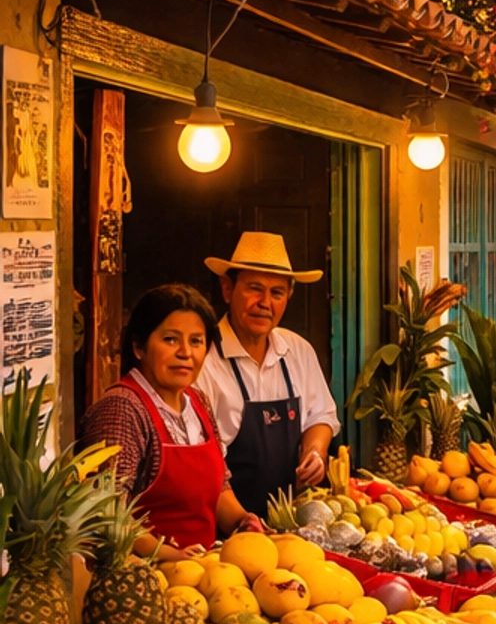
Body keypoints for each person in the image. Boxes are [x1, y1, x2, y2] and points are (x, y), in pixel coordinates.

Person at [81, 285, 261, 548]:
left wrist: (243, 521)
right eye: (170, 339)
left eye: (196, 341)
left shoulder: (197, 402)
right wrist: (168, 555)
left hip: (203, 575)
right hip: (146, 575)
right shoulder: (122, 409)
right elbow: (107, 514)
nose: (185, 353)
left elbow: (219, 486)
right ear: (139, 347)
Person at [201, 231, 339, 521]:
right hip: (222, 527)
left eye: (277, 293)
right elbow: (199, 463)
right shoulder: (204, 358)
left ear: (288, 296)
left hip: (289, 522)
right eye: (254, 288)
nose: (265, 302)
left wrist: (315, 453)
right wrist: (242, 523)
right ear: (227, 289)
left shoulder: (298, 351)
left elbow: (320, 416)